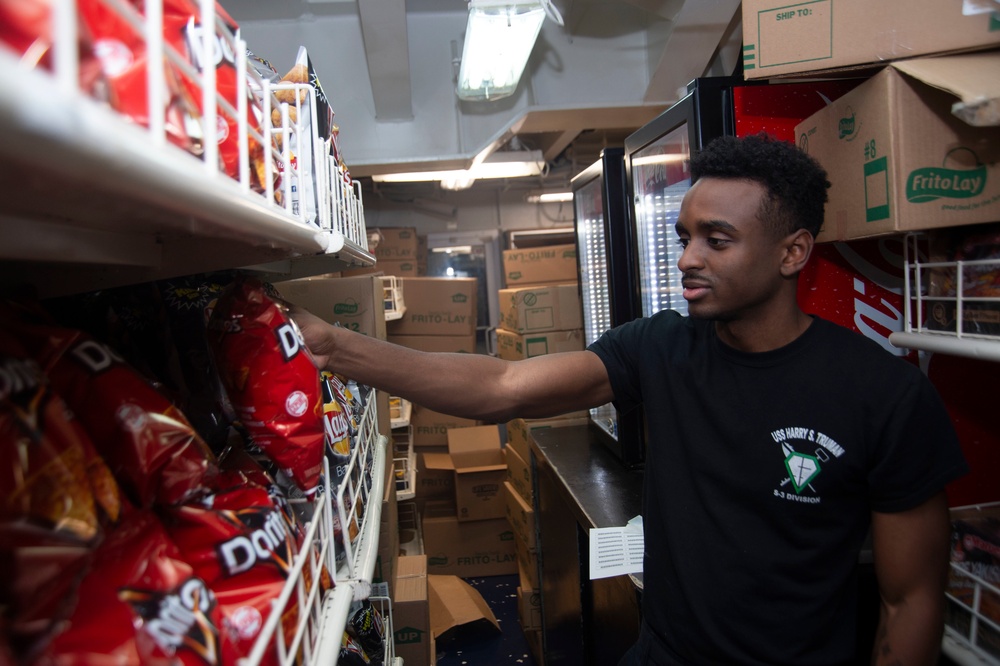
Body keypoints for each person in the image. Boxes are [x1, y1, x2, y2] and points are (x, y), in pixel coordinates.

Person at [291, 134, 968, 665]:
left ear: (793, 252)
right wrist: (335, 349)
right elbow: (502, 387)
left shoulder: (882, 395)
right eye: (683, 237)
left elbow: (910, 601)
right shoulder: (661, 347)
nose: (686, 259)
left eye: (717, 240)